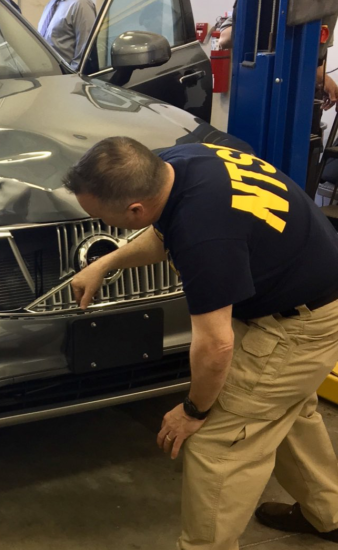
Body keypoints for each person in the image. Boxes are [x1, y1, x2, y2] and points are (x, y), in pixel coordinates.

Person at [64, 137, 338, 549]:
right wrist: (106, 262)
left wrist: (193, 410)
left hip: (298, 325)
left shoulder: (204, 235)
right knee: (283, 413)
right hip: (305, 293)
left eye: (105, 220)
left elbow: (216, 346)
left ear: (135, 209)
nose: (105, 227)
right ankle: (330, 515)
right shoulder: (178, 163)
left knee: (221, 439)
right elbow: (162, 233)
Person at [37, 0, 95, 69]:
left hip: (65, 79)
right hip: (47, 75)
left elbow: (84, 52)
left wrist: (71, 78)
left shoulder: (81, 5)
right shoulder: (51, 4)